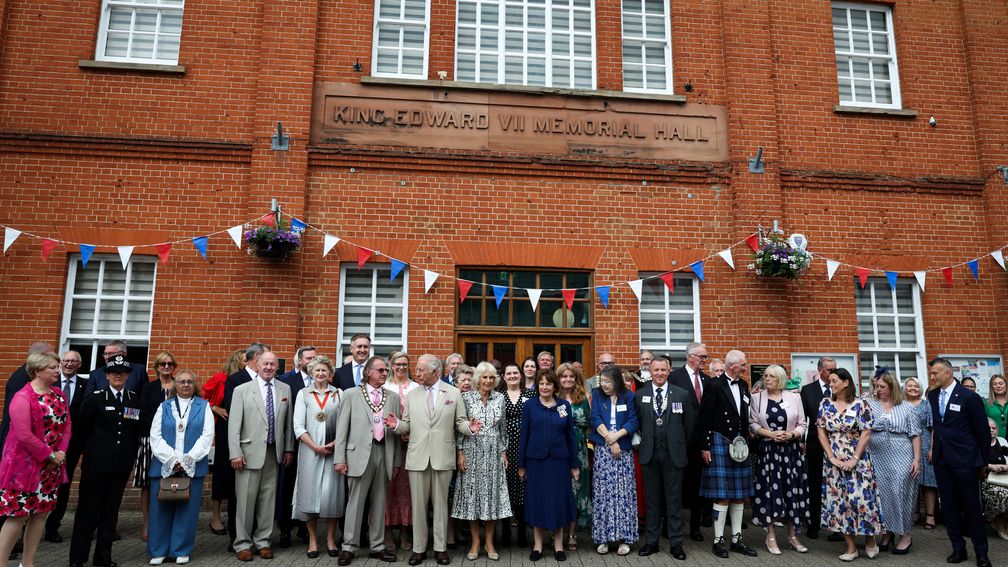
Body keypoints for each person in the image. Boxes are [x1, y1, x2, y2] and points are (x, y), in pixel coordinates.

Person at [386, 354, 474, 566]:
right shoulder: (413, 394)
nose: (416, 374)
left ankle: (440, 549)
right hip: (417, 458)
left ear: (435, 372)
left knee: (441, 506)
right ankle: (418, 549)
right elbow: (407, 425)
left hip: (442, 457)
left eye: (420, 370)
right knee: (418, 507)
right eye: (416, 370)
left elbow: (460, 422)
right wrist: (397, 424)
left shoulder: (453, 393)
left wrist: (470, 427)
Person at [69, 354, 142, 567]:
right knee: (87, 513)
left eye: (122, 373)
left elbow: (133, 432)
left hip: (120, 466)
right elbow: (82, 432)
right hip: (96, 466)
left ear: (128, 375)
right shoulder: (95, 398)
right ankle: (77, 559)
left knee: (110, 513)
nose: (118, 376)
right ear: (107, 375)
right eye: (114, 372)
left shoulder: (133, 399)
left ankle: (103, 557)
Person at [0, 351, 70, 567]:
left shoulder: (59, 395)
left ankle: (28, 563)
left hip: (50, 469)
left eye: (57, 367)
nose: (57, 370)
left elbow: (67, 426)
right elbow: (24, 435)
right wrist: (50, 455)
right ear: (38, 370)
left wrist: (60, 453)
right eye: (52, 367)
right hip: (23, 469)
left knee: (41, 514)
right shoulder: (22, 398)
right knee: (17, 516)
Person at [227, 351, 295, 562]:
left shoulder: (285, 389)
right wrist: (235, 452)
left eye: (272, 365)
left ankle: (263, 541)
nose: (268, 368)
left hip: (273, 452)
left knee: (268, 501)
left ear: (277, 367)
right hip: (247, 454)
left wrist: (289, 449)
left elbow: (288, 423)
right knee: (245, 502)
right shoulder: (242, 390)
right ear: (257, 365)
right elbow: (234, 425)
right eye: (265, 364)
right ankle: (243, 543)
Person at [333, 356, 400, 566]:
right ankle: (349, 547)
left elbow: (396, 433)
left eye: (386, 370)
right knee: (355, 502)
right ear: (368, 372)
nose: (384, 373)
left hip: (384, 451)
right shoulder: (352, 395)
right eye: (380, 370)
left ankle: (377, 546)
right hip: (357, 454)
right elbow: (342, 429)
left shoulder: (393, 397)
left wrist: (396, 461)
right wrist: (339, 458)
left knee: (380, 502)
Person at [927, 357, 992, 567]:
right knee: (949, 506)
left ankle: (981, 553)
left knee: (972, 507)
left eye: (935, 373)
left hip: (965, 460)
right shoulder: (933, 395)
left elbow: (982, 431)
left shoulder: (968, 397)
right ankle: (958, 548)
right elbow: (938, 426)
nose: (932, 377)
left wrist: (983, 462)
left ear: (947, 373)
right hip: (942, 460)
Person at [147, 369, 214, 565]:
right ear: (175, 384)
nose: (186, 385)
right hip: (164, 465)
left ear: (195, 385)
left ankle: (181, 550)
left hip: (192, 465)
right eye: (182, 382)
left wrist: (187, 459)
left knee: (188, 510)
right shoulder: (164, 406)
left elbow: (207, 435)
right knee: (160, 509)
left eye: (190, 382)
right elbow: (155, 436)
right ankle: (158, 551)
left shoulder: (204, 406)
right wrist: (172, 459)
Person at [817, 367, 882, 561]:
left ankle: (870, 540)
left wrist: (854, 459)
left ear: (846, 382)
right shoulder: (825, 404)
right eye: (830, 381)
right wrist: (831, 457)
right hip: (834, 459)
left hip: (858, 458)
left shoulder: (861, 404)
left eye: (835, 380)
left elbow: (866, 432)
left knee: (863, 499)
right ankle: (851, 547)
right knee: (841, 502)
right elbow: (821, 431)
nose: (831, 384)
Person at [698, 350, 758, 558]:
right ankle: (718, 540)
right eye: (743, 364)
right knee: (722, 496)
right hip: (720, 441)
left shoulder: (743, 385)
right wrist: (705, 446)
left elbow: (745, 413)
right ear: (732, 365)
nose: (745, 367)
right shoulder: (714, 385)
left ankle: (737, 539)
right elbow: (704, 417)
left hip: (740, 443)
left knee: (740, 496)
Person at [451, 362, 511, 560]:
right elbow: (460, 426)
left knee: (492, 497)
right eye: (484, 377)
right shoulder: (466, 398)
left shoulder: (500, 398)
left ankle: (490, 542)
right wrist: (460, 451)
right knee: (473, 497)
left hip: (493, 453)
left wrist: (503, 452)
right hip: (471, 451)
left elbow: (503, 428)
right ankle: (476, 541)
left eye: (491, 378)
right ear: (478, 379)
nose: (488, 381)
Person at [518, 369, 579, 562]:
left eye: (548, 384)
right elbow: (524, 435)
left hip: (559, 462)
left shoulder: (564, 406)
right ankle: (537, 545)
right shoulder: (530, 406)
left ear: (555, 386)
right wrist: (522, 464)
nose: (544, 387)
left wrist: (574, 464)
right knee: (538, 501)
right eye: (541, 383)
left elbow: (571, 437)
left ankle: (558, 545)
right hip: (536, 462)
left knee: (558, 501)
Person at [748, 365, 809, 555]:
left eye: (771, 376)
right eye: (765, 375)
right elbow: (752, 423)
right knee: (769, 493)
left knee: (791, 492)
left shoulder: (794, 397)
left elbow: (802, 423)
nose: (767, 379)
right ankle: (770, 536)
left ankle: (792, 536)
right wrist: (770, 434)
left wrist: (791, 435)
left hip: (790, 452)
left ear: (780, 379)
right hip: (769, 451)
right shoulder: (756, 398)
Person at [634, 357, 691, 559]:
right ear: (649, 371)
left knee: (674, 501)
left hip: (674, 455)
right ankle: (651, 542)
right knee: (652, 502)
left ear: (669, 371)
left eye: (663, 370)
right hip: (649, 454)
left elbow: (689, 426)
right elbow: (637, 423)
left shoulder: (682, 395)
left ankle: (676, 543)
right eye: (655, 370)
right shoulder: (640, 396)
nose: (659, 373)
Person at [292, 356, 345, 558]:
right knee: (309, 495)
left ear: (330, 373)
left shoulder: (338, 394)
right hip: (309, 452)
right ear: (311, 373)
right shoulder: (303, 394)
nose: (321, 374)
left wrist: (335, 443)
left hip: (333, 452)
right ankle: (313, 540)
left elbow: (344, 422)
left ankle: (330, 538)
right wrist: (315, 447)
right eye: (317, 371)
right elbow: (298, 425)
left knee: (331, 495)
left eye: (324, 370)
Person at [216, 342, 268, 548]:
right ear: (255, 358)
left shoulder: (269, 380)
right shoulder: (235, 380)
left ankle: (258, 536)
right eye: (264, 359)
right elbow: (234, 412)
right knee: (238, 495)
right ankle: (236, 537)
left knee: (261, 496)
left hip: (264, 447)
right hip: (243, 446)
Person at [866, 370, 920, 553]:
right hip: (877, 456)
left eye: (882, 387)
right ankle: (887, 532)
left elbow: (915, 435)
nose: (878, 390)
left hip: (902, 454)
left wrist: (917, 459)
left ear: (892, 387)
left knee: (900, 491)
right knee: (882, 494)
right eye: (876, 386)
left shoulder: (906, 407)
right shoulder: (870, 405)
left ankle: (905, 534)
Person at [44, 350, 94, 544]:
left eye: (74, 361)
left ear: (79, 364)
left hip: (72, 445)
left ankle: (53, 527)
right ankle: (26, 528)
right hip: (48, 445)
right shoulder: (50, 382)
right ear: (60, 362)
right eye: (66, 360)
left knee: (64, 485)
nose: (69, 364)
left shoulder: (86, 384)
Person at [589, 365, 639, 556]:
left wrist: (616, 437)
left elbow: (633, 421)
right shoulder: (597, 394)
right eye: (602, 381)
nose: (604, 385)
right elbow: (595, 419)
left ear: (616, 381)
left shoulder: (629, 397)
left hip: (623, 452)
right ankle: (603, 538)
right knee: (604, 495)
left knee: (623, 495)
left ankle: (624, 538)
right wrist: (609, 440)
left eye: (607, 381)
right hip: (603, 451)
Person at [668, 341, 712, 541]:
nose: (705, 360)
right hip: (678, 441)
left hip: (698, 443)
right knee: (674, 486)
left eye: (706, 357)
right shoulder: (675, 377)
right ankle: (670, 526)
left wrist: (705, 444)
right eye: (702, 356)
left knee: (696, 488)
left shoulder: (707, 380)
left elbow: (707, 413)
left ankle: (695, 527)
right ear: (690, 356)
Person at [278, 345, 317, 548]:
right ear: (299, 361)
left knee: (308, 485)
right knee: (287, 486)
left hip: (314, 442)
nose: (312, 361)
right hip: (292, 442)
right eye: (308, 358)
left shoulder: (323, 380)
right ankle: (285, 529)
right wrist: (288, 446)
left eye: (314, 358)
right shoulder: (285, 381)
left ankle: (305, 528)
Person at [202, 348, 244, 536]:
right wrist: (214, 408)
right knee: (222, 471)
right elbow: (200, 396)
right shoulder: (221, 378)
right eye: (244, 359)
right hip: (225, 427)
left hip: (245, 429)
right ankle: (215, 517)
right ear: (236, 361)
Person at [137, 351, 178, 542]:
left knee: (171, 482)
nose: (166, 367)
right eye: (163, 364)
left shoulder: (180, 386)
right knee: (148, 483)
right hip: (149, 440)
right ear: (157, 367)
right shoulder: (148, 387)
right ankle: (147, 523)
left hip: (175, 441)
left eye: (170, 364)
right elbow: (141, 412)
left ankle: (167, 523)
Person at [384, 351, 418, 552]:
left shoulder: (415, 387)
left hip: (410, 446)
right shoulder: (385, 387)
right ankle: (387, 532)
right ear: (391, 365)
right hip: (388, 443)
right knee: (387, 489)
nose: (401, 367)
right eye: (397, 364)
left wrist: (409, 431)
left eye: (404, 364)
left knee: (408, 491)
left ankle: (406, 532)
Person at [799, 356, 835, 540]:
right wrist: (801, 442)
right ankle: (814, 524)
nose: (832, 373)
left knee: (837, 486)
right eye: (829, 370)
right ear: (820, 370)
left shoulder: (840, 389)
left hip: (838, 446)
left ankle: (838, 528)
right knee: (814, 486)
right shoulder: (807, 390)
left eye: (834, 369)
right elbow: (801, 419)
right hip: (815, 445)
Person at [556, 362, 590, 546]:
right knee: (559, 491)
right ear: (558, 378)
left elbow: (586, 423)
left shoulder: (582, 397)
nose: (568, 379)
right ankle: (557, 530)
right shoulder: (552, 396)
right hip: (557, 449)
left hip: (578, 450)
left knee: (575, 492)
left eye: (571, 376)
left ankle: (571, 533)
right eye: (564, 376)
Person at [498, 363, 530, 548]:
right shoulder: (499, 396)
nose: (512, 376)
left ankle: (522, 531)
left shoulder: (530, 395)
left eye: (515, 373)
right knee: (505, 489)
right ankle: (505, 530)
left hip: (525, 446)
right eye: (508, 373)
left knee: (522, 490)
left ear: (521, 375)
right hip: (504, 448)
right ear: (504, 377)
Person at [980, 418, 1008, 540]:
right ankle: (999, 523)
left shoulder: (1002, 441)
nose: (991, 430)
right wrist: (990, 466)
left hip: (1004, 479)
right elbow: (975, 462)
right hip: (986, 481)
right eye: (988, 428)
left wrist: (1005, 466)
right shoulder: (979, 443)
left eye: (994, 428)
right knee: (1004, 494)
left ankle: (1000, 520)